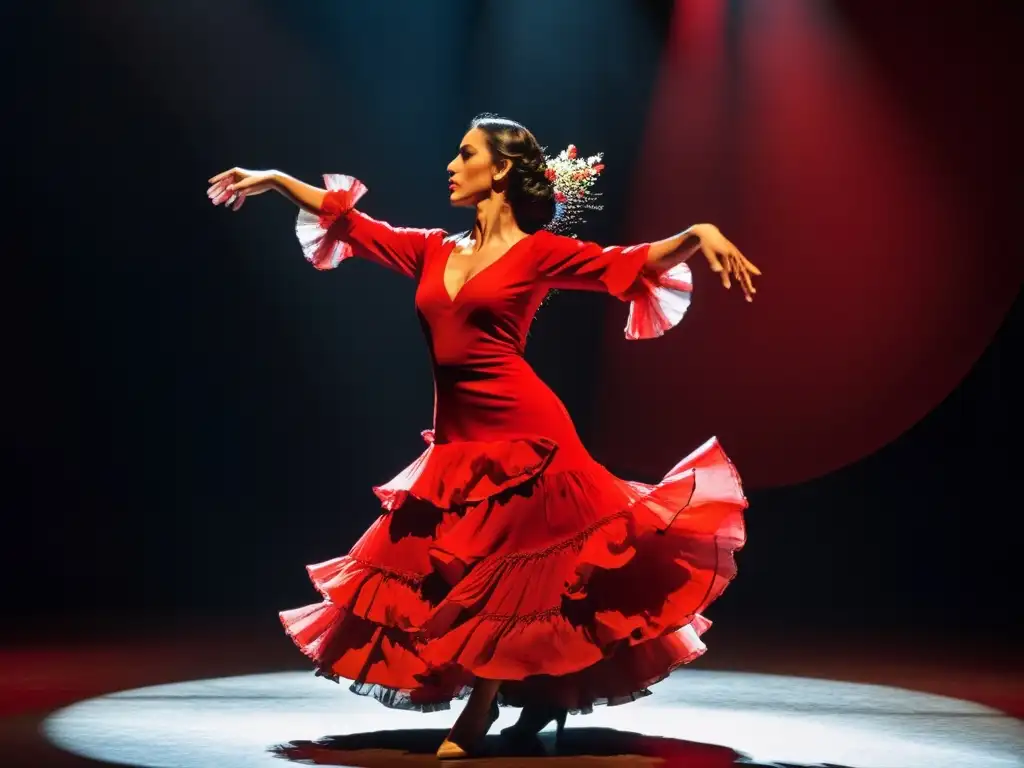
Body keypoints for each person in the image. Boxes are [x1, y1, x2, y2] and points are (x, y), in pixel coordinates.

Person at [207, 114, 759, 759]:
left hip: (529, 437)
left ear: (499, 170)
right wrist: (274, 180)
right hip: (457, 444)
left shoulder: (539, 252)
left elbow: (628, 263)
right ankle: (539, 698)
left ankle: (475, 715)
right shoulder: (432, 249)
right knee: (437, 571)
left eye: (464, 153)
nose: (450, 164)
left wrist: (700, 233)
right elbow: (354, 226)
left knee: (521, 577)